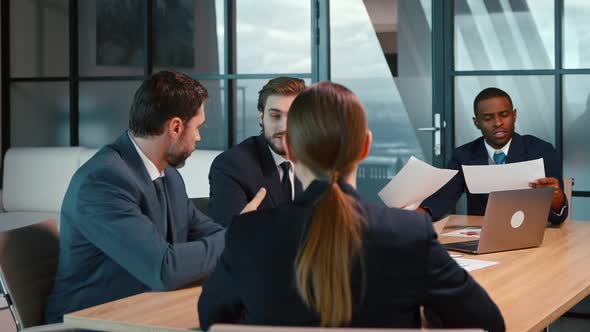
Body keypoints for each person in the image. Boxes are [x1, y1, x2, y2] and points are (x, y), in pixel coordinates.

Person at [198, 82, 505, 331]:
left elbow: (212, 319)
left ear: (290, 147)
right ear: (365, 146)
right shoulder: (410, 233)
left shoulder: (248, 234)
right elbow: (488, 322)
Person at [45, 70, 265, 323]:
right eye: (198, 127)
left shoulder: (169, 176)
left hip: (143, 312)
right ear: (175, 127)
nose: (198, 137)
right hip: (87, 322)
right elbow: (164, 269)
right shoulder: (102, 182)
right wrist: (238, 233)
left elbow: (205, 232)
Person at [420, 87, 568, 225]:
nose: (498, 123)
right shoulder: (464, 155)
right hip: (481, 234)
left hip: (530, 233)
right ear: (477, 122)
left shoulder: (541, 150)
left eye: (504, 115)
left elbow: (559, 215)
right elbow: (444, 197)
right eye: (488, 118)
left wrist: (557, 199)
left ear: (514, 115)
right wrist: (420, 213)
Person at [208, 77, 306, 226]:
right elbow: (228, 238)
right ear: (261, 117)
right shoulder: (231, 166)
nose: (284, 127)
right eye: (275, 116)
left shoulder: (316, 163)